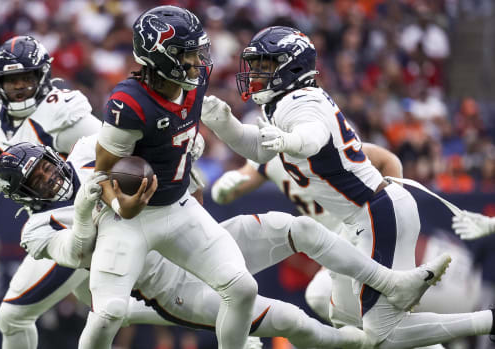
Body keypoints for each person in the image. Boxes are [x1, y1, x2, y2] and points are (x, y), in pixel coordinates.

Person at [0, 139, 454, 349]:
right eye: (37, 180)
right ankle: (356, 344)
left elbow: (153, 150)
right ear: (23, 194)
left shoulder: (90, 150)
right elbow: (76, 253)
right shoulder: (36, 229)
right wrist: (82, 211)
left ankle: (391, 283)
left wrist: (181, 157)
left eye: (45, 166)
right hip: (171, 287)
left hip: (198, 240)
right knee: (293, 321)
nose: (49, 176)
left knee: (298, 228)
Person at [200, 25, 495, 347]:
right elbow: (257, 150)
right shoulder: (282, 103)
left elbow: (312, 137)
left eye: (266, 65)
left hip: (373, 212)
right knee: (331, 303)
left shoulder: (302, 101)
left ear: (291, 65)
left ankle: (487, 320)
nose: (256, 72)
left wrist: (289, 139)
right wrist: (224, 125)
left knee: (382, 334)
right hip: (358, 220)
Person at [85, 6, 258, 349]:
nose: (198, 61)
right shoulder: (129, 103)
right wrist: (121, 203)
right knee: (109, 314)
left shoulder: (194, 83)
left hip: (178, 207)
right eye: (188, 53)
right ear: (160, 56)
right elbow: (101, 172)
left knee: (242, 288)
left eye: (198, 51)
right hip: (130, 218)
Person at [212, 144, 484, 335]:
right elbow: (238, 182)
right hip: (339, 244)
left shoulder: (323, 137)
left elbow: (388, 159)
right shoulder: (267, 156)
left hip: (363, 231)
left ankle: (472, 324)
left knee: (331, 300)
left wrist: (397, 213)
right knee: (329, 301)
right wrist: (226, 186)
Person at [0, 35, 102, 349]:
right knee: (111, 310)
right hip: (45, 226)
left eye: (27, 78)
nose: (20, 87)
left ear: (43, 76)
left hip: (74, 223)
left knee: (12, 316)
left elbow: (115, 145)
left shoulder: (60, 113)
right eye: (12, 81)